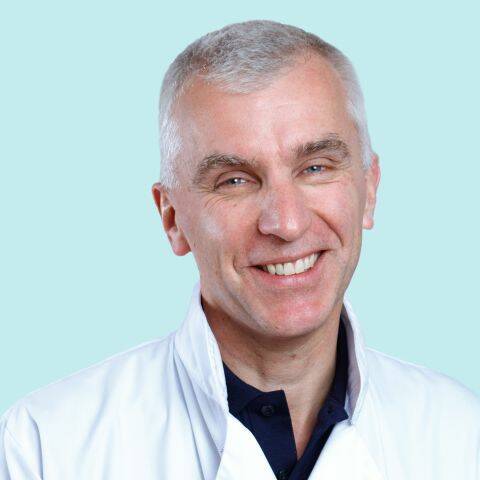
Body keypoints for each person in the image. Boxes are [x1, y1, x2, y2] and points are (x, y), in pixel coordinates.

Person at [1, 19, 479, 480]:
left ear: (369, 189)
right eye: (234, 180)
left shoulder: (461, 435)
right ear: (172, 218)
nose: (286, 224)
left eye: (316, 167)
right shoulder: (46, 448)